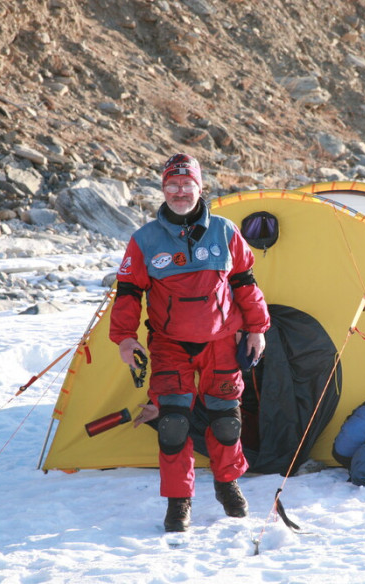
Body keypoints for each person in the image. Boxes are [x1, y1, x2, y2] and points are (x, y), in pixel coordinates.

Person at [109, 153, 270, 532]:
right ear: (163, 189)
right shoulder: (144, 240)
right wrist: (125, 339)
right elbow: (129, 294)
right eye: (172, 185)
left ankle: (228, 484)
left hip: (222, 342)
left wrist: (257, 328)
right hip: (170, 345)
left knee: (226, 420)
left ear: (200, 187)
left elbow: (245, 283)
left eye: (187, 184)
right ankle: (178, 501)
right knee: (174, 424)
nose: (180, 191)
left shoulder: (226, 231)